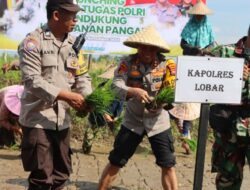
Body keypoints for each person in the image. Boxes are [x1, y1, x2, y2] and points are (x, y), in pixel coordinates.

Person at [17, 0, 92, 189]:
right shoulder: (32, 42)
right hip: (38, 120)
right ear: (56, 15)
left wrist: (89, 99)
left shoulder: (75, 44)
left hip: (63, 121)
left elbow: (82, 77)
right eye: (71, 15)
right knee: (42, 178)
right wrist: (67, 96)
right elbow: (32, 80)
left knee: (61, 176)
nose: (75, 20)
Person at [98, 25, 178, 190]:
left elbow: (173, 92)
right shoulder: (126, 63)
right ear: (138, 48)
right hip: (132, 121)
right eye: (143, 48)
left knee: (168, 164)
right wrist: (132, 91)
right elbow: (115, 85)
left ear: (157, 49)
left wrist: (163, 102)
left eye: (151, 49)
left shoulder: (167, 65)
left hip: (158, 123)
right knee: (116, 161)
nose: (147, 52)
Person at [209, 25, 250, 190]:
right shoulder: (224, 53)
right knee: (227, 181)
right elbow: (198, 75)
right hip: (228, 126)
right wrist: (230, 73)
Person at [173, 0, 215, 153]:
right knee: (182, 101)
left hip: (202, 68)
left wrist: (205, 50)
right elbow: (183, 44)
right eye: (197, 15)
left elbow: (212, 44)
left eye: (201, 15)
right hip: (188, 65)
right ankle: (182, 130)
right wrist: (195, 49)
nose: (199, 17)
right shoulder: (189, 25)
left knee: (193, 103)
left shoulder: (208, 26)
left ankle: (186, 134)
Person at [82, 67, 124, 154]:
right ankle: (86, 148)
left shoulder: (121, 89)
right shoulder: (102, 87)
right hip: (98, 116)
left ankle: (119, 151)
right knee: (90, 135)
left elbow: (121, 103)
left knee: (119, 134)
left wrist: (117, 116)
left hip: (112, 116)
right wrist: (105, 115)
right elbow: (97, 105)